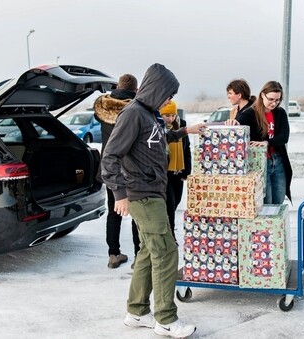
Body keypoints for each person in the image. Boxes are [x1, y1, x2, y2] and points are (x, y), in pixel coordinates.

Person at [101, 63, 205, 338]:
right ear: (156, 89)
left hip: (153, 192)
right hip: (142, 194)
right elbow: (110, 156)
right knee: (166, 252)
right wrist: (119, 194)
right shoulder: (132, 114)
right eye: (168, 95)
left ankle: (136, 312)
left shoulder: (150, 116)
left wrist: (186, 132)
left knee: (148, 252)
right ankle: (166, 319)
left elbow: (158, 139)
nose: (169, 101)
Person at [94, 73, 140, 269]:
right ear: (135, 89)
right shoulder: (134, 109)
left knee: (114, 212)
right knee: (137, 213)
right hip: (130, 167)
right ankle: (139, 256)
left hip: (109, 167)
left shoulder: (103, 107)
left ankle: (113, 254)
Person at [227, 80, 292, 204]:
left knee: (278, 202)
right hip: (261, 164)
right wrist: (233, 123)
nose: (274, 103)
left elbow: (284, 137)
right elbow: (238, 124)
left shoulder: (280, 113)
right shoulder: (251, 113)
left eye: (277, 100)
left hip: (278, 161)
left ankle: (277, 224)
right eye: (271, 99)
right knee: (265, 203)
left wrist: (267, 142)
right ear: (262, 95)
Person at [160, 100, 192, 240]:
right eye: (167, 115)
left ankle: (166, 227)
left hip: (178, 170)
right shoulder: (158, 127)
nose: (170, 118)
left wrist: (187, 169)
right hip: (165, 171)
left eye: (172, 115)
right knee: (170, 203)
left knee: (177, 201)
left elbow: (187, 148)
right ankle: (170, 235)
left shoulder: (182, 124)